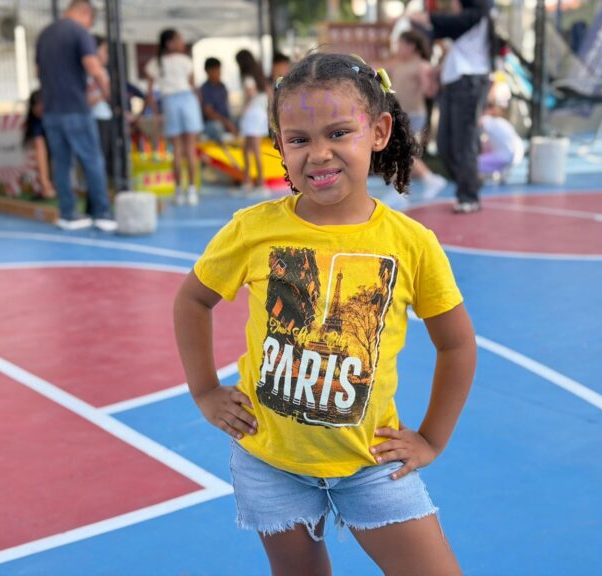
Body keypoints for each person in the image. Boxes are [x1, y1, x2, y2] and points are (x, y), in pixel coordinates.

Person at [174, 52, 476, 576]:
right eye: (299, 139)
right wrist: (204, 390)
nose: (319, 154)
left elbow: (457, 344)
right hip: (269, 461)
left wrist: (430, 438)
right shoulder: (253, 229)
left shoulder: (411, 244)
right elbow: (192, 301)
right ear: (280, 146)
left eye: (339, 133)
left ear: (379, 131)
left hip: (370, 463)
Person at [35, 0, 116, 232]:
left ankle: (68, 214)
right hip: (76, 107)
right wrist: (107, 89)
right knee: (92, 159)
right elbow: (93, 66)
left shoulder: (45, 34)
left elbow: (38, 72)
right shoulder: (79, 32)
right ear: (85, 13)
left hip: (51, 109)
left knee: (61, 163)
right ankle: (102, 213)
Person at [410, 0, 494, 214]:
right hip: (453, 84)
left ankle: (469, 195)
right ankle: (471, 182)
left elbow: (449, 23)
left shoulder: (478, 14)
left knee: (463, 141)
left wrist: (427, 18)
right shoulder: (464, 26)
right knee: (445, 144)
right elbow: (438, 31)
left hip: (469, 83)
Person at [146, 29, 203, 206]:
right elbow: (194, 87)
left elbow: (149, 94)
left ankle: (178, 191)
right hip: (187, 100)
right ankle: (192, 191)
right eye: (179, 39)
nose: (182, 42)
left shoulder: (155, 63)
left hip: (169, 102)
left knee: (176, 150)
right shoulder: (185, 61)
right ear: (170, 43)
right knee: (190, 149)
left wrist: (156, 113)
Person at [392, 29, 448, 199]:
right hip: (400, 114)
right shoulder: (399, 64)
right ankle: (400, 183)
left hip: (413, 114)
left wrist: (432, 77)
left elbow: (430, 92)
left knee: (401, 150)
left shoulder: (421, 66)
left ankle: (428, 178)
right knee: (396, 150)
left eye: (401, 45)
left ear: (411, 47)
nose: (398, 48)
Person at [235, 49, 271, 196]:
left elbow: (250, 93)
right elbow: (269, 94)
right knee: (248, 150)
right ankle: (248, 182)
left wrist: (244, 109)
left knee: (252, 150)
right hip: (260, 114)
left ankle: (259, 184)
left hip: (252, 114)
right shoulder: (260, 77)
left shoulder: (248, 77)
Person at [88, 35, 114, 182]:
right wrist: (102, 92)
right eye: (104, 50)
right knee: (96, 154)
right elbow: (90, 99)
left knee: (104, 153)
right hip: (94, 117)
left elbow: (107, 95)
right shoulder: (89, 73)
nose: (106, 54)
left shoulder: (103, 72)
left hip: (104, 115)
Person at [478, 99, 524, 181]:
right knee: (485, 143)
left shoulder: (488, 120)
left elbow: (479, 122)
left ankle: (488, 172)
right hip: (517, 156)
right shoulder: (503, 122)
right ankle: (494, 172)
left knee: (472, 163)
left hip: (505, 157)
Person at [23, 89, 56, 200]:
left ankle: (49, 185)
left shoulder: (56, 119)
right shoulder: (35, 123)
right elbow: (39, 149)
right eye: (36, 104)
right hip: (46, 155)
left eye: (42, 103)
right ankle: (45, 185)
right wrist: (44, 182)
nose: (40, 107)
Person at [199, 57, 237, 143]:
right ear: (207, 71)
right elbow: (209, 113)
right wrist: (227, 123)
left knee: (242, 122)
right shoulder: (204, 89)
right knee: (217, 127)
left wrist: (229, 122)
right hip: (211, 123)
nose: (218, 72)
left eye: (219, 69)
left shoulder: (222, 86)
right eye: (215, 70)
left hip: (226, 120)